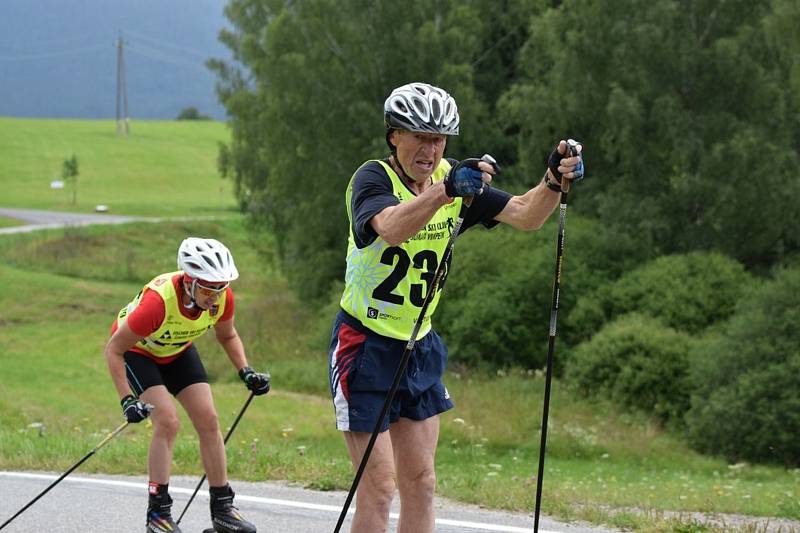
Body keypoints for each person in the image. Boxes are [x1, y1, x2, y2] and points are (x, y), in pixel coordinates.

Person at [328, 82, 584, 533]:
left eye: (439, 139)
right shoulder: (372, 178)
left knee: (422, 482)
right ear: (394, 137)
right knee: (379, 486)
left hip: (419, 345)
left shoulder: (454, 178)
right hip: (365, 344)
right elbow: (390, 227)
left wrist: (551, 180)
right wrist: (445, 191)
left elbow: (526, 215)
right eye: (419, 136)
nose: (430, 149)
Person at [105, 237, 270, 533]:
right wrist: (126, 400)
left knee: (209, 419)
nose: (216, 296)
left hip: (177, 350)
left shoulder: (222, 300)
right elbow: (114, 350)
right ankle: (158, 513)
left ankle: (223, 509)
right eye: (208, 287)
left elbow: (228, 336)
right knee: (167, 422)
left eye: (221, 287)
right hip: (139, 352)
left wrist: (246, 371)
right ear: (189, 281)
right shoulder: (157, 304)